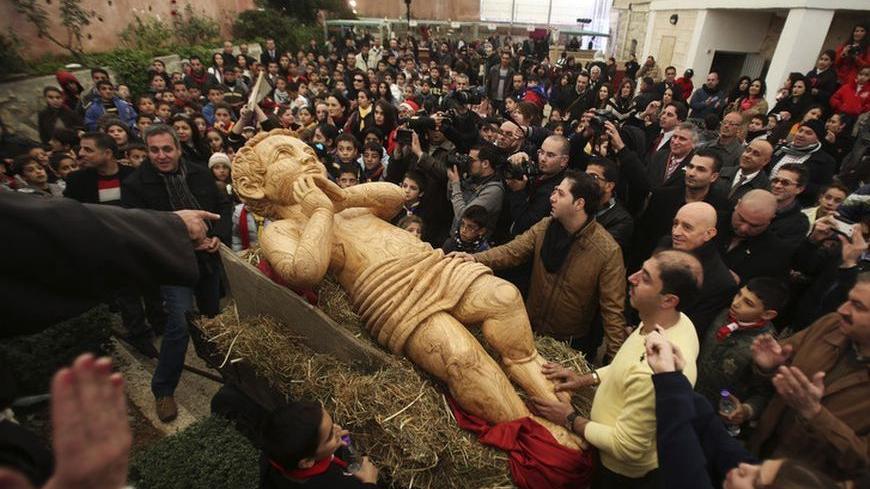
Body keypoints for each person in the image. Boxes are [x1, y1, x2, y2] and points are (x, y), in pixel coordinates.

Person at [530, 249, 702, 488]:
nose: (632, 277)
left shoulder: (655, 373)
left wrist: (569, 418)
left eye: (645, 277)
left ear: (668, 300)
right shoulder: (671, 321)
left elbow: (628, 447)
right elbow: (625, 366)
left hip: (617, 472)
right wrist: (585, 378)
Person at [121, 124, 232, 423]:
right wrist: (185, 236)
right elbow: (139, 229)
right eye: (154, 150)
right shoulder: (135, 185)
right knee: (180, 325)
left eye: (167, 149)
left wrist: (217, 235)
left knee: (212, 320)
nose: (161, 156)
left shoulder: (199, 173)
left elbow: (222, 204)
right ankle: (163, 389)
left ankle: (227, 373)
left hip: (208, 261)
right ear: (147, 152)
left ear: (179, 149)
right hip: (173, 264)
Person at [459, 170, 627, 361]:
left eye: (560, 194)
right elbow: (512, 251)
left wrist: (615, 361)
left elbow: (613, 310)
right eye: (555, 191)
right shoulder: (546, 226)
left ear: (579, 204)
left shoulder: (606, 251)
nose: (552, 198)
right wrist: (475, 258)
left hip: (568, 345)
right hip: (529, 328)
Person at [748, 275, 870, 480]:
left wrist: (814, 413)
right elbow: (784, 371)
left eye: (858, 306)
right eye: (849, 300)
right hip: (759, 454)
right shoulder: (830, 325)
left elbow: (863, 464)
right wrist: (770, 366)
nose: (842, 309)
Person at [695, 277, 789, 428]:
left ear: (767, 315)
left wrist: (745, 411)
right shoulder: (724, 315)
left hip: (712, 416)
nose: (736, 303)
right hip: (689, 393)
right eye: (739, 294)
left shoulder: (765, 347)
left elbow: (763, 394)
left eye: (748, 303)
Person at [260, 400, 379, 488]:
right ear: (306, 462)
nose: (337, 430)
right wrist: (370, 482)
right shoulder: (338, 484)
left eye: (332, 425)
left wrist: (332, 441)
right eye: (330, 436)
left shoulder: (275, 456)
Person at [667, 202, 738, 337]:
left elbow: (691, 330)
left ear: (709, 234)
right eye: (675, 224)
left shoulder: (721, 282)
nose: (676, 232)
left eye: (687, 227)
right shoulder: (665, 245)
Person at [504, 134, 570, 237]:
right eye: (541, 152)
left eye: (550, 155)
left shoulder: (556, 191)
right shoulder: (542, 171)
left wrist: (518, 192)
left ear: (564, 160)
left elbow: (525, 224)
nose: (543, 159)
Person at [720, 190, 792, 282]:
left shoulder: (777, 252)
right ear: (737, 204)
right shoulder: (711, 221)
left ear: (771, 219)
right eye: (741, 219)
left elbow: (771, 290)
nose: (743, 228)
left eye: (754, 225)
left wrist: (742, 283)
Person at [769, 119, 836, 207]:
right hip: (766, 195)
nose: (801, 135)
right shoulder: (781, 149)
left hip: (795, 205)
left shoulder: (826, 161)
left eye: (808, 133)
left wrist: (793, 185)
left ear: (818, 139)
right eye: (800, 131)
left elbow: (822, 190)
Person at [445, 142, 504, 240]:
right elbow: (450, 196)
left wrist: (456, 183)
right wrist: (455, 177)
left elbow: (463, 216)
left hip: (474, 247)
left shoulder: (494, 190)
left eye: (471, 160)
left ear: (485, 164)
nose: (467, 163)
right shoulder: (471, 178)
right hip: (456, 238)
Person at [585, 157, 633, 258]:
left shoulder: (622, 220)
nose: (586, 181)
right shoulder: (581, 202)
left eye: (594, 177)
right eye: (585, 176)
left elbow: (597, 252)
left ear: (609, 186)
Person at [717, 139, 773, 206]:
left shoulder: (764, 190)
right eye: (748, 150)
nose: (747, 155)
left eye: (756, 154)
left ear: (765, 161)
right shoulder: (722, 172)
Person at [767, 163, 810, 244]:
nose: (777, 186)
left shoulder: (799, 224)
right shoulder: (757, 203)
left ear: (799, 189)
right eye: (775, 180)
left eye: (785, 183)